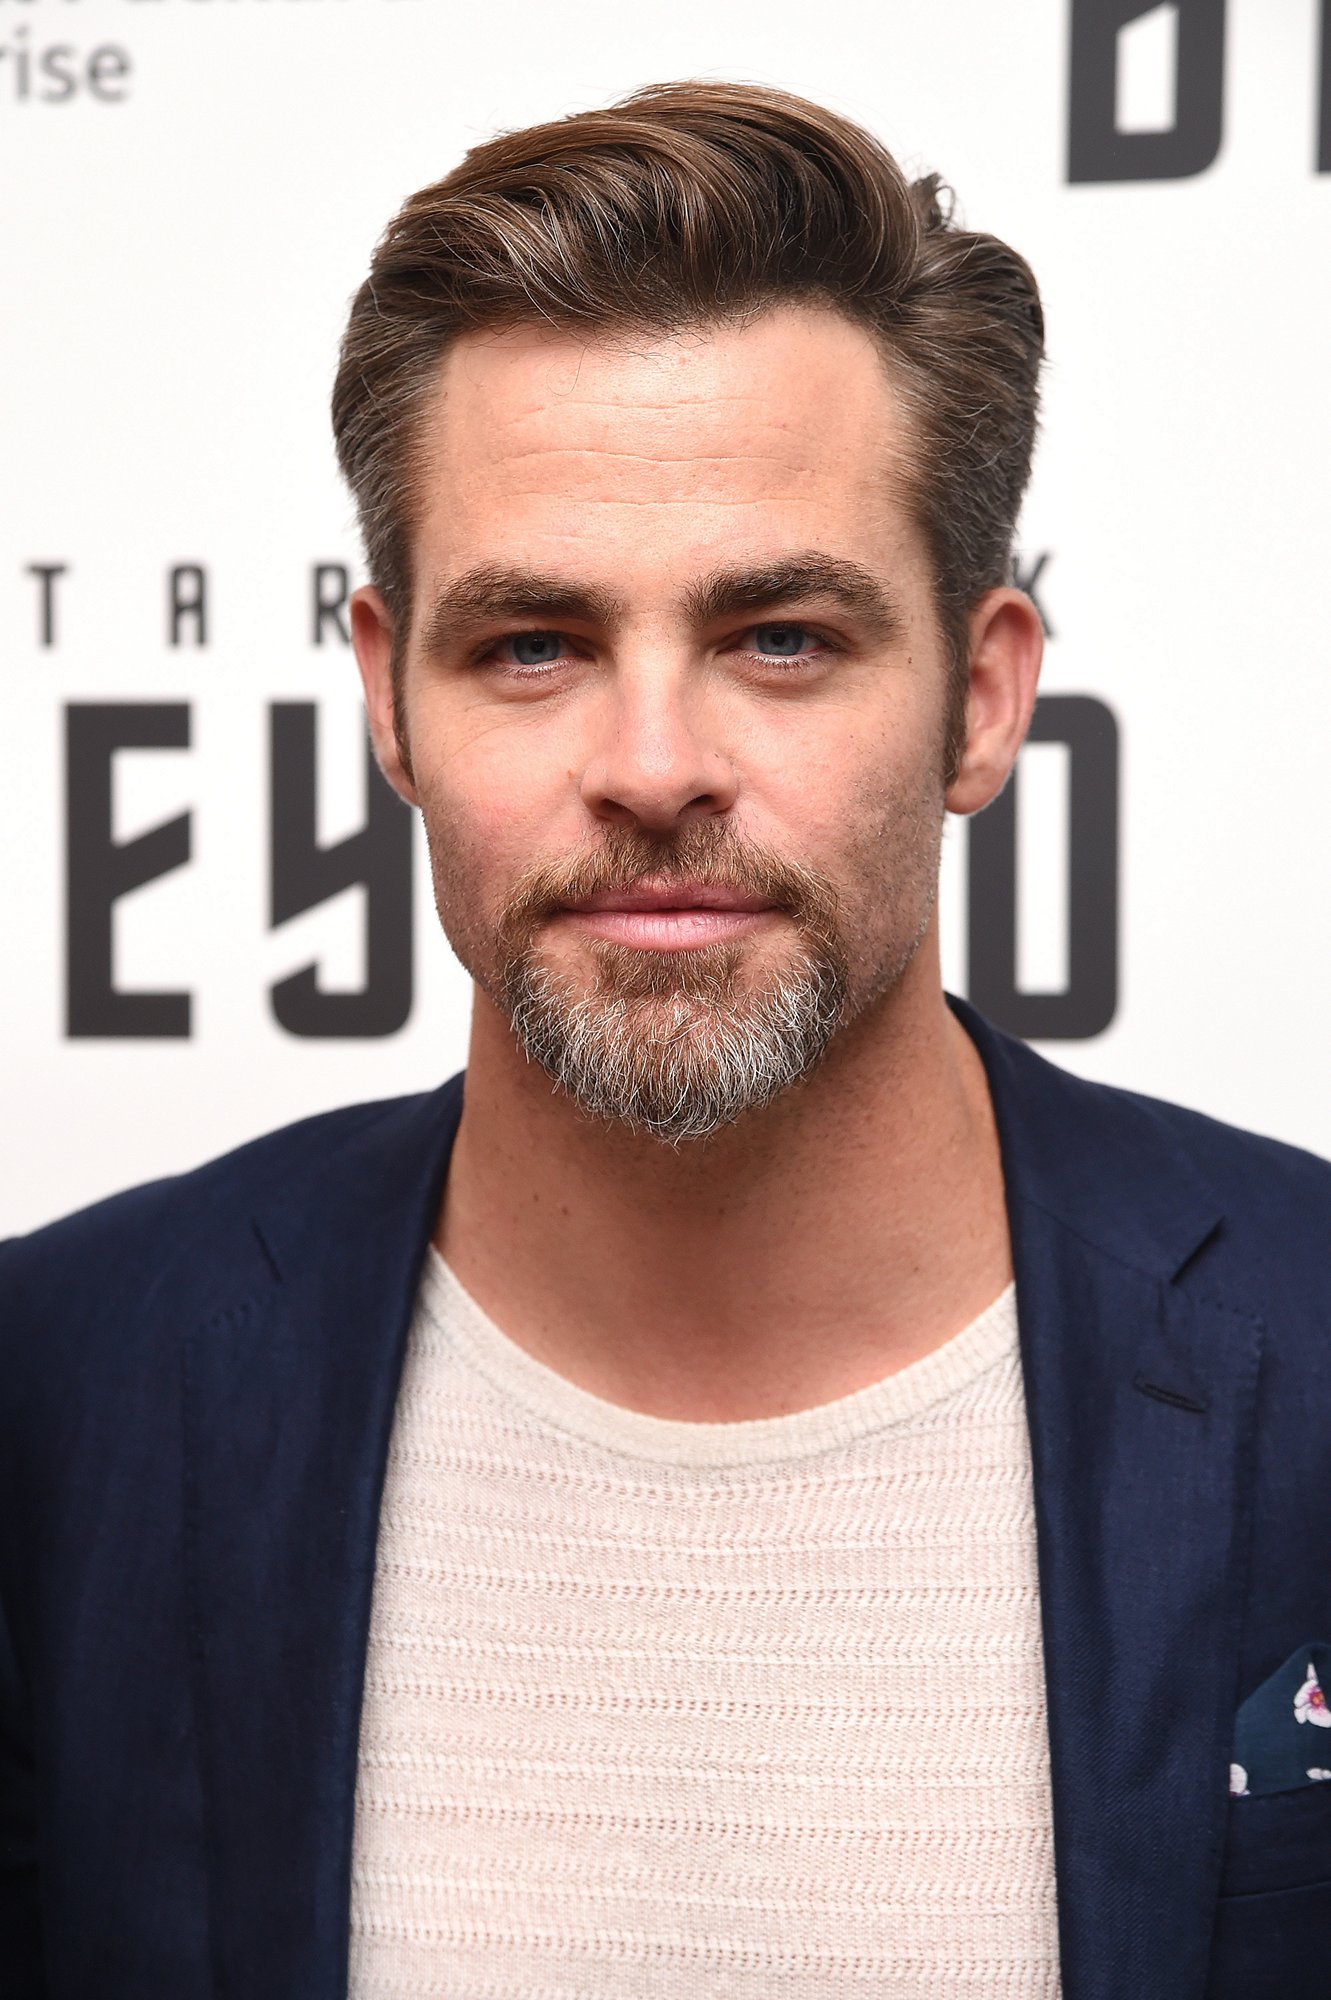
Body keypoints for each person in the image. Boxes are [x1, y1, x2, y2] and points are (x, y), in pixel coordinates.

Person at [1, 80, 1327, 2000]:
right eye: (530, 645)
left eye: (781, 636)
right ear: (388, 700)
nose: (650, 767)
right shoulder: (60, 1392)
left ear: (979, 698)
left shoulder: (1312, 1339)